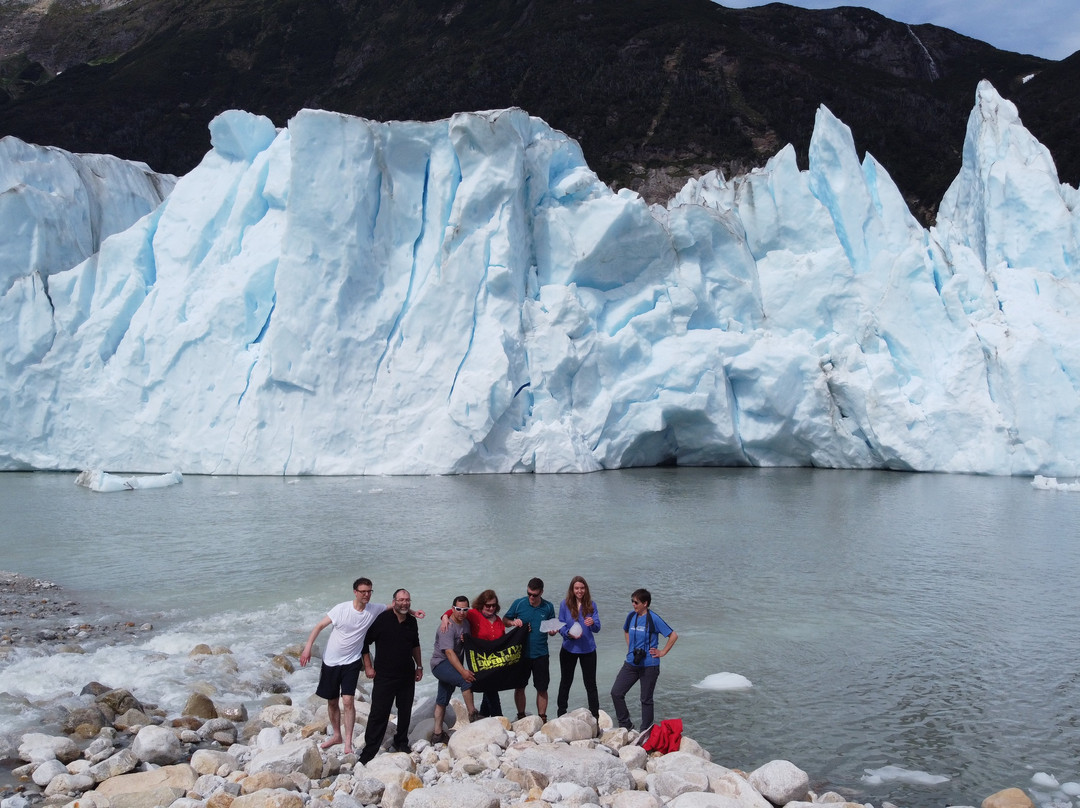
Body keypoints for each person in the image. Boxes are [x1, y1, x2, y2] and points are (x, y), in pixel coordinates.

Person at [298, 577, 383, 755]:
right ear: (355, 592)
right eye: (363, 592)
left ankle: (348, 743)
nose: (367, 595)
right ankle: (337, 735)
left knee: (348, 701)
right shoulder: (341, 609)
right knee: (332, 701)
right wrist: (307, 649)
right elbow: (319, 626)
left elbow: (395, 606)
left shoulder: (373, 609)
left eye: (369, 591)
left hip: (352, 661)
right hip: (331, 661)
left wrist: (413, 611)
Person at [358, 589, 423, 764]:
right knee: (379, 713)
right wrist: (368, 667)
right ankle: (369, 750)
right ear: (394, 602)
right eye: (401, 600)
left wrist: (419, 666)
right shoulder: (381, 619)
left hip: (407, 675)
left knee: (405, 711)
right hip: (384, 676)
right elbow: (364, 643)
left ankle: (401, 742)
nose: (404, 603)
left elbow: (415, 644)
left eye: (407, 600)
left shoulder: (411, 621)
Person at [610, 587, 678, 732]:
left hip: (650, 665)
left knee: (646, 700)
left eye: (636, 602)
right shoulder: (631, 616)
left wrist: (662, 652)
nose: (633, 604)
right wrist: (631, 647)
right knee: (616, 692)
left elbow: (673, 635)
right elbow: (626, 630)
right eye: (632, 601)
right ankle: (626, 724)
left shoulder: (653, 618)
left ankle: (645, 731)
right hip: (631, 663)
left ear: (645, 603)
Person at [504, 577, 557, 722]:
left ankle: (542, 717)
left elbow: (551, 626)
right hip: (521, 654)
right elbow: (505, 621)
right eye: (529, 594)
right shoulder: (519, 603)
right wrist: (513, 622)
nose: (531, 597)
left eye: (535, 595)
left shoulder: (548, 607)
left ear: (541, 593)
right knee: (520, 686)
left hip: (541, 653)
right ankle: (521, 715)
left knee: (542, 688)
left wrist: (552, 631)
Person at [430, 595, 477, 743]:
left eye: (464, 609)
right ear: (452, 609)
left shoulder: (466, 624)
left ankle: (437, 734)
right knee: (466, 681)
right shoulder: (447, 627)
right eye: (458, 609)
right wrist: (463, 671)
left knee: (442, 699)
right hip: (440, 664)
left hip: (451, 664)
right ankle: (473, 715)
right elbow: (449, 653)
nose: (461, 612)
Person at [555, 575, 601, 718]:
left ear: (586, 589)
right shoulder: (564, 604)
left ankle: (595, 717)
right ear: (572, 589)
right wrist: (568, 633)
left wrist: (592, 623)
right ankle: (561, 714)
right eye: (576, 588)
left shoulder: (592, 605)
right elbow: (560, 624)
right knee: (565, 682)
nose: (579, 591)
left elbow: (597, 628)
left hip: (588, 650)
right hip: (569, 649)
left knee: (591, 684)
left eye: (582, 588)